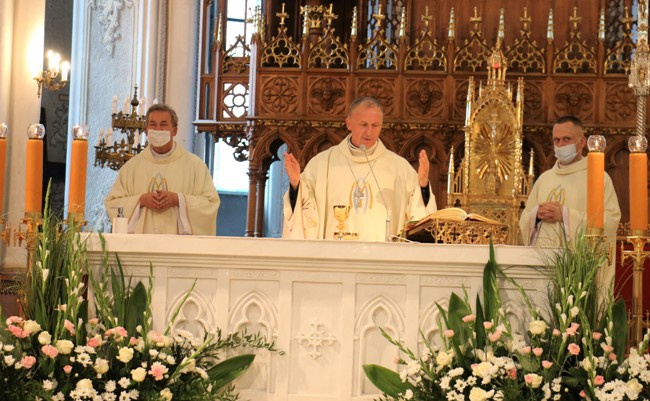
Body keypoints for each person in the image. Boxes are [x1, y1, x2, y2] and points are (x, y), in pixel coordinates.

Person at [282, 97, 437, 241]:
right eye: (364, 125)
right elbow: (303, 213)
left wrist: (423, 187)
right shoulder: (322, 164)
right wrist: (296, 184)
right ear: (349, 123)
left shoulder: (399, 168)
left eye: (375, 125)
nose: (369, 132)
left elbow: (419, 221)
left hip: (382, 261)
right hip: (334, 260)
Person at [104, 104, 220, 235]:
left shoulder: (195, 166)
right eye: (153, 124)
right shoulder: (131, 167)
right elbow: (112, 204)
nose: (158, 129)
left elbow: (211, 204)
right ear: (146, 130)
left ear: (174, 131)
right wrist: (140, 201)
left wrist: (179, 199)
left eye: (163, 124)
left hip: (178, 248)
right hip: (140, 247)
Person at [519, 115, 621, 247]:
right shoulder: (544, 179)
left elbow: (610, 220)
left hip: (579, 263)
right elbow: (524, 219)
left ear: (582, 142)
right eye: (557, 140)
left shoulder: (598, 178)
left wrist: (565, 215)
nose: (561, 145)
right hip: (543, 261)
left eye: (567, 139)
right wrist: (536, 215)